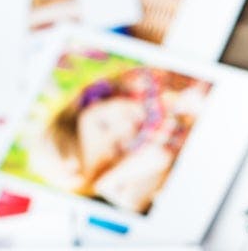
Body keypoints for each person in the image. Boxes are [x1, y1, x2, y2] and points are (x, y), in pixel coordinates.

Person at [42, 68, 205, 213]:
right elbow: (158, 158)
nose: (126, 127)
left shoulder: (141, 84)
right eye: (118, 147)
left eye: (104, 125)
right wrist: (105, 183)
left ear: (92, 102)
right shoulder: (151, 142)